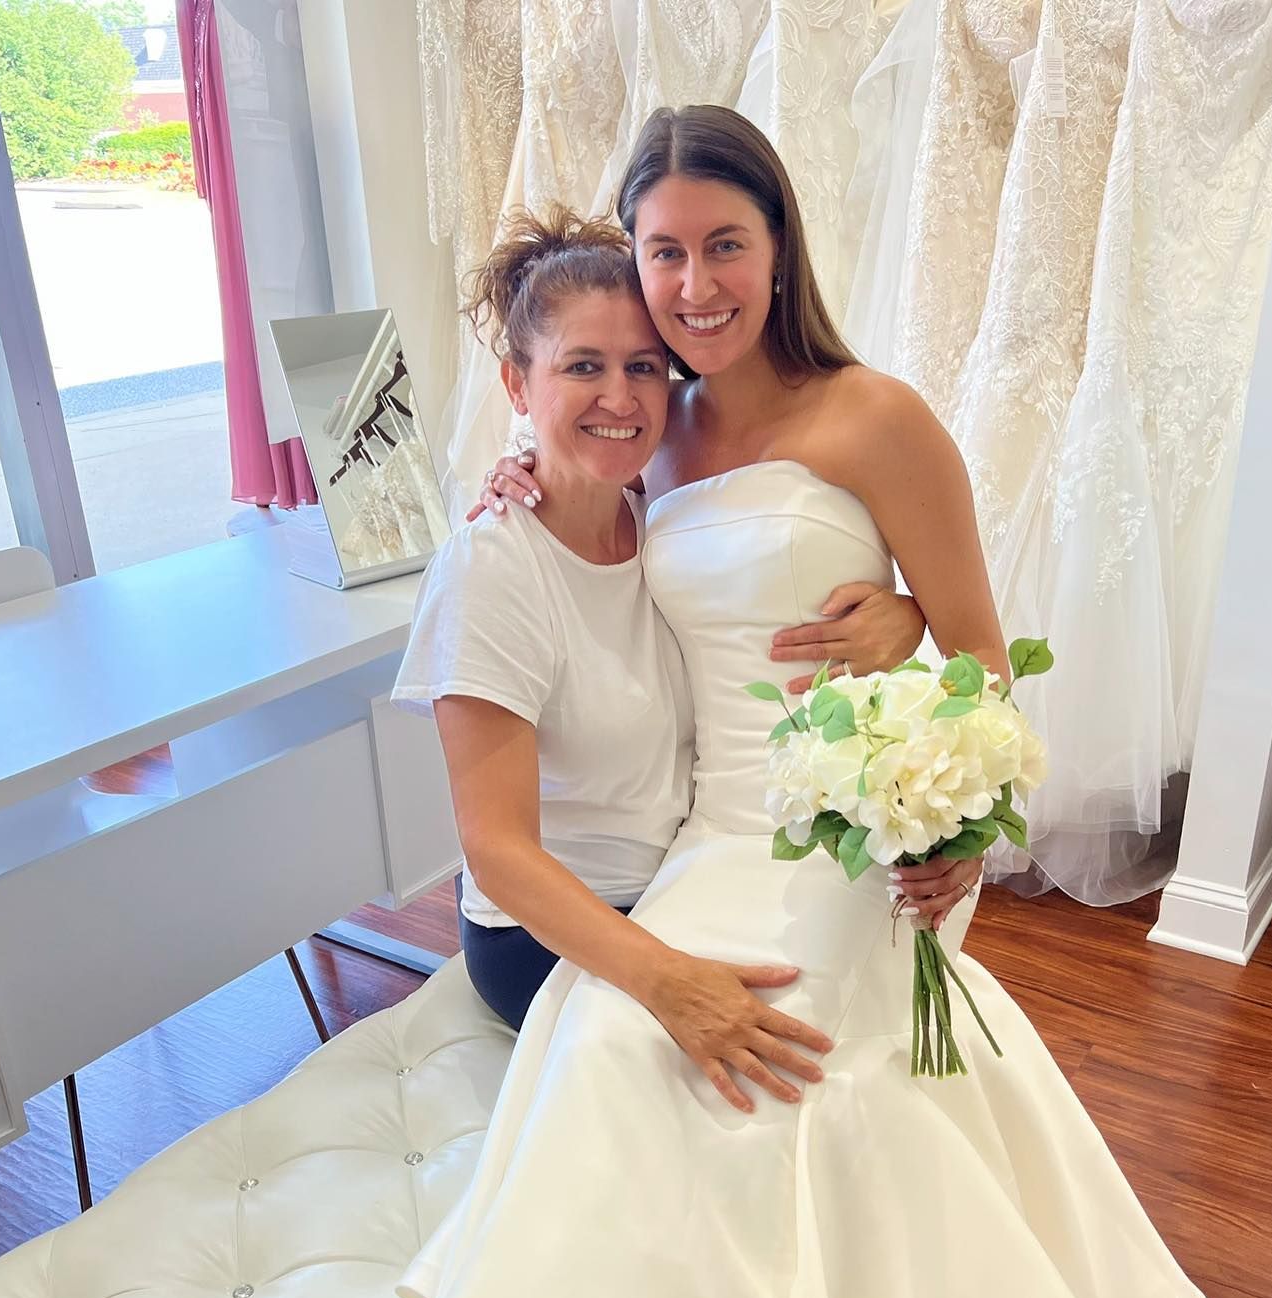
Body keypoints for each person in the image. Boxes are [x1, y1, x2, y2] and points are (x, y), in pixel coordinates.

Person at [373, 108, 1218, 1298]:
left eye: (725, 245)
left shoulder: (875, 417)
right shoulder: (647, 420)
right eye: (665, 253)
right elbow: (576, 501)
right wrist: (513, 474)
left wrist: (922, 678)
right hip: (706, 835)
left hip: (843, 830)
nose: (695, 285)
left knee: (800, 1068)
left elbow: (985, 652)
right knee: (615, 1052)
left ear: (780, 251)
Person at [394, 203, 935, 1094]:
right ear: (518, 387)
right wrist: (670, 983)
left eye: (643, 367)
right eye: (583, 367)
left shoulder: (656, 517)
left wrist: (905, 613)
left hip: (688, 878)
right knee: (755, 1083)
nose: (620, 397)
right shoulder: (489, 569)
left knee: (846, 1028)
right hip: (549, 933)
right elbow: (495, 849)